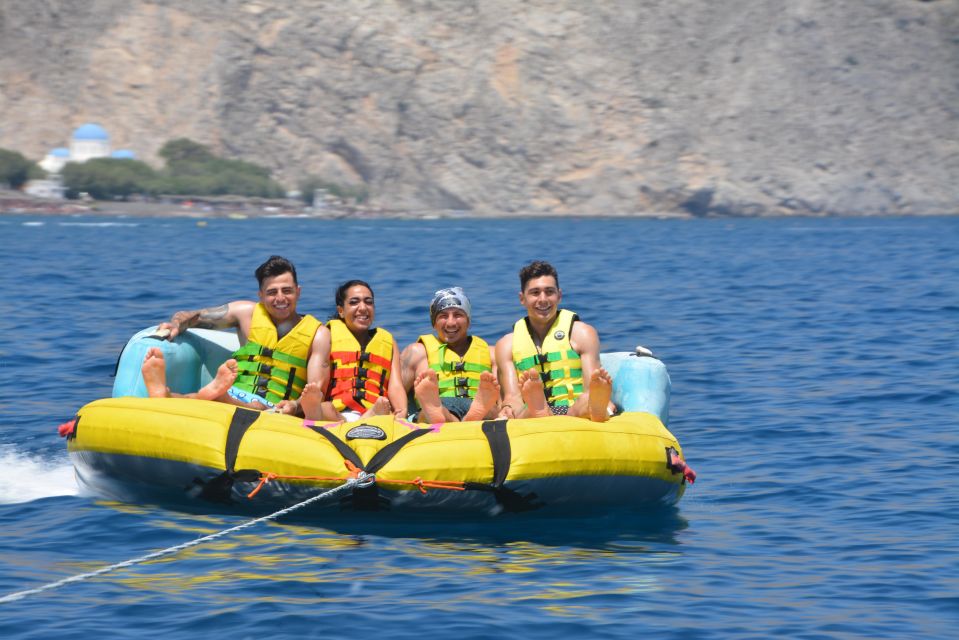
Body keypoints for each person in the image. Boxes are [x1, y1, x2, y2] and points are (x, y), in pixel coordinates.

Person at [141, 255, 330, 416]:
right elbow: (196, 316)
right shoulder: (245, 312)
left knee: (254, 405)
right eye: (272, 292)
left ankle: (215, 395)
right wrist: (176, 324)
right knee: (201, 397)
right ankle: (163, 394)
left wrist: (294, 405)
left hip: (275, 408)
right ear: (261, 295)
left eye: (287, 291)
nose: (280, 298)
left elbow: (316, 389)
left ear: (298, 292)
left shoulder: (318, 334)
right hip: (235, 393)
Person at [494, 260, 613, 422]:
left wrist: (594, 396)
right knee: (522, 411)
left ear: (559, 295)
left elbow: (590, 385)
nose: (543, 299)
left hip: (573, 406)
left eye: (549, 292)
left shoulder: (582, 333)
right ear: (522, 298)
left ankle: (595, 407)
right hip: (531, 409)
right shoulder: (507, 345)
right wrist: (507, 408)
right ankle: (540, 408)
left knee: (585, 401)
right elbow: (512, 397)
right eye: (535, 293)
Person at [299, 280, 407, 422]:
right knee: (326, 408)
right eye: (354, 302)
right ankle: (314, 412)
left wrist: (401, 411)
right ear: (341, 311)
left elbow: (396, 385)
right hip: (338, 412)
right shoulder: (327, 335)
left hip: (376, 409)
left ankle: (371, 415)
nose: (363, 307)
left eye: (368, 302)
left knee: (383, 412)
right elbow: (319, 381)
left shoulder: (388, 342)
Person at [400, 287, 502, 423]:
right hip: (442, 404)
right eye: (443, 316)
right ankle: (437, 410)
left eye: (458, 315)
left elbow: (502, 399)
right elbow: (396, 394)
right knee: (431, 412)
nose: (451, 323)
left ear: (468, 320)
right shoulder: (417, 352)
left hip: (480, 405)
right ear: (433, 323)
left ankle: (469, 414)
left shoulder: (492, 353)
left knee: (491, 410)